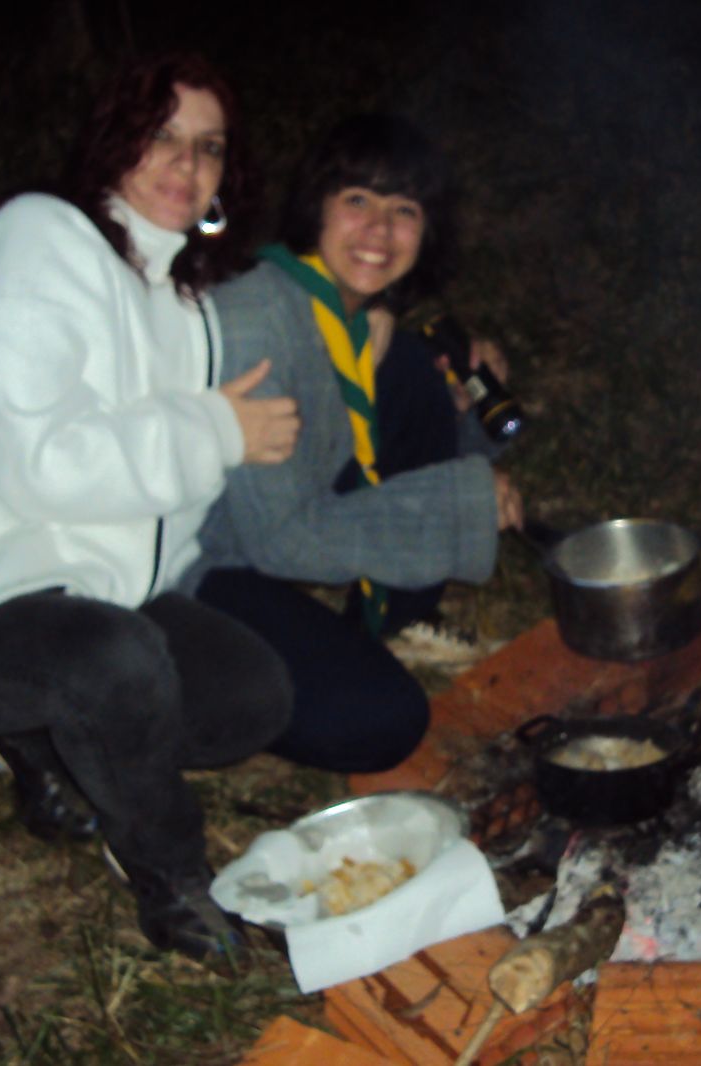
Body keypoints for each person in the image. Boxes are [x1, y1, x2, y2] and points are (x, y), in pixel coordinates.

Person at [0, 53, 301, 960]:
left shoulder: (183, 303)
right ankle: (169, 877)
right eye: (162, 135)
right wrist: (212, 431)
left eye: (209, 147)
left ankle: (40, 739)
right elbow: (39, 467)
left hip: (73, 593)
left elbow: (156, 506)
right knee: (116, 666)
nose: (186, 163)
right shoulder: (38, 236)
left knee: (252, 695)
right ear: (115, 142)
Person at [182, 114, 523, 776]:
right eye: (358, 200)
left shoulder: (343, 314)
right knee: (381, 718)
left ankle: (397, 614)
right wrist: (462, 504)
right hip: (201, 565)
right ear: (317, 208)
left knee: (415, 369)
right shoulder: (256, 321)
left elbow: (380, 451)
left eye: (405, 211)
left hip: (270, 530)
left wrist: (466, 416)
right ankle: (162, 689)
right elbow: (282, 539)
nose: (379, 230)